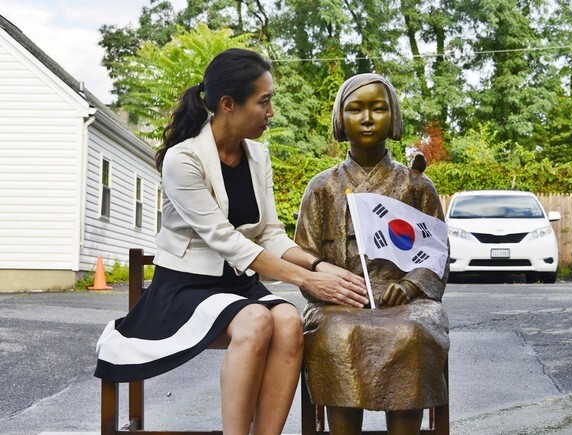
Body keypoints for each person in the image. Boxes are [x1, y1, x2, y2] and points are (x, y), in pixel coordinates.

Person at [94, 48, 368, 435]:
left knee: (289, 320)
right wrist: (305, 281)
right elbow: (227, 241)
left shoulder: (258, 155)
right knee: (256, 320)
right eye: (264, 101)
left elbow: (270, 233)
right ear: (228, 105)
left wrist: (318, 266)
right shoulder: (183, 159)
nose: (272, 111)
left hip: (237, 286)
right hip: (186, 287)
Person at [295, 73, 450, 435]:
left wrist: (411, 286)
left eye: (378, 109)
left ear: (392, 116)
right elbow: (303, 256)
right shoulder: (322, 187)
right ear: (340, 117)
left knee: (412, 333)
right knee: (335, 334)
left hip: (406, 302)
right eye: (355, 108)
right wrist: (329, 287)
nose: (367, 118)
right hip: (339, 301)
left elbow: (437, 252)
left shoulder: (416, 186)